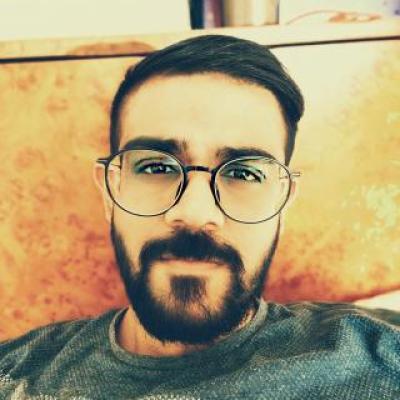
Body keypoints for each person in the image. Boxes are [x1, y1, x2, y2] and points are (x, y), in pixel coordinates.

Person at [0, 34, 399, 400]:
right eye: (156, 167)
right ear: (110, 192)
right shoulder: (15, 374)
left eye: (244, 174)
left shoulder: (380, 354)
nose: (193, 213)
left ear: (283, 202)